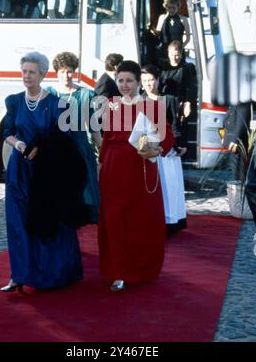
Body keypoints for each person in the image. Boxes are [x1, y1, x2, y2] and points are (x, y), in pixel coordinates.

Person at [0, 51, 87, 292]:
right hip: (19, 171)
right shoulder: (14, 101)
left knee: (50, 221)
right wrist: (19, 145)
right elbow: (8, 131)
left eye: (32, 72)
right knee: (18, 223)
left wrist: (42, 149)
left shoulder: (58, 104)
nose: (27, 76)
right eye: (24, 71)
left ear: (42, 75)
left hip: (47, 172)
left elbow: (65, 139)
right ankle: (18, 275)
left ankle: (55, 273)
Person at [98, 60, 174, 291]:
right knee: (114, 220)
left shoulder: (152, 106)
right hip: (113, 169)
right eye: (120, 80)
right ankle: (117, 272)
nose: (124, 85)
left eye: (129, 80)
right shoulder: (111, 104)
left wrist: (157, 148)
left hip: (140, 170)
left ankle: (140, 269)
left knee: (141, 221)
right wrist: (101, 165)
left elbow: (167, 137)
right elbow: (107, 138)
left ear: (138, 82)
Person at [47, 51, 101, 224]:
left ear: (75, 71)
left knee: (84, 186)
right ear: (57, 72)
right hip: (56, 149)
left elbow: (94, 128)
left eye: (69, 71)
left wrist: (106, 151)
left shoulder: (86, 94)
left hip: (79, 147)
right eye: (62, 71)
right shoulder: (48, 94)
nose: (66, 75)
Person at [141, 65, 187, 235]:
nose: (148, 84)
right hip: (148, 150)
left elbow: (176, 125)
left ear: (158, 80)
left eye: (151, 80)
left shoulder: (169, 100)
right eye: (145, 81)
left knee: (170, 186)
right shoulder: (139, 101)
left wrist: (177, 145)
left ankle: (171, 221)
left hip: (168, 150)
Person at [159, 40, 197, 155]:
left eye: (177, 55)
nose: (174, 58)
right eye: (172, 55)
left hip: (179, 102)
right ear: (168, 53)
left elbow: (191, 87)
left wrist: (188, 103)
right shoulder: (162, 66)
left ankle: (179, 151)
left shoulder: (187, 68)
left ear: (181, 54)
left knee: (179, 127)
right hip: (165, 100)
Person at [152, 0, 190, 65]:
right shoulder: (162, 18)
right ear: (166, 7)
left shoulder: (183, 19)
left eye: (174, 8)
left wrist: (180, 48)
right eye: (169, 7)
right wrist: (152, 29)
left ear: (178, 7)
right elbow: (157, 34)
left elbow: (188, 38)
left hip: (177, 53)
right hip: (164, 52)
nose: (171, 10)